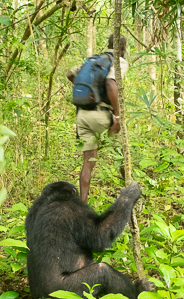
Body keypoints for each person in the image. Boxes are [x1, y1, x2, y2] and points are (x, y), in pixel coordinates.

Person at [67, 34, 129, 203]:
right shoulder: (119, 61)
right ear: (123, 48)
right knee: (121, 154)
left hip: (82, 115)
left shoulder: (93, 60)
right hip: (102, 115)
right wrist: (117, 116)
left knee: (88, 161)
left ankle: (83, 204)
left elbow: (70, 74)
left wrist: (89, 92)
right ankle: (129, 193)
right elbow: (110, 83)